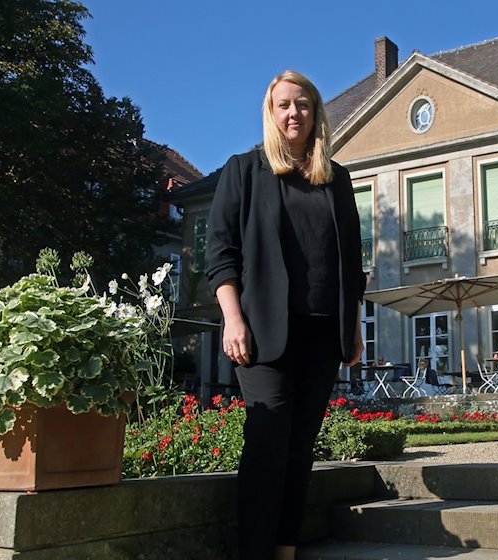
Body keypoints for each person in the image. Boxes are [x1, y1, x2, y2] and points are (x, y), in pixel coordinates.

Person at [205, 69, 367, 560]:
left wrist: (353, 326)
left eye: (302, 104)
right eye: (283, 105)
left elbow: (352, 264)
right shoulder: (244, 171)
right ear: (270, 113)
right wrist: (233, 318)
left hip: (322, 332)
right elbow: (221, 253)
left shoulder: (336, 180)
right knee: (267, 441)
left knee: (300, 449)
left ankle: (285, 549)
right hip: (262, 332)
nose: (293, 113)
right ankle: (254, 551)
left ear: (316, 112)